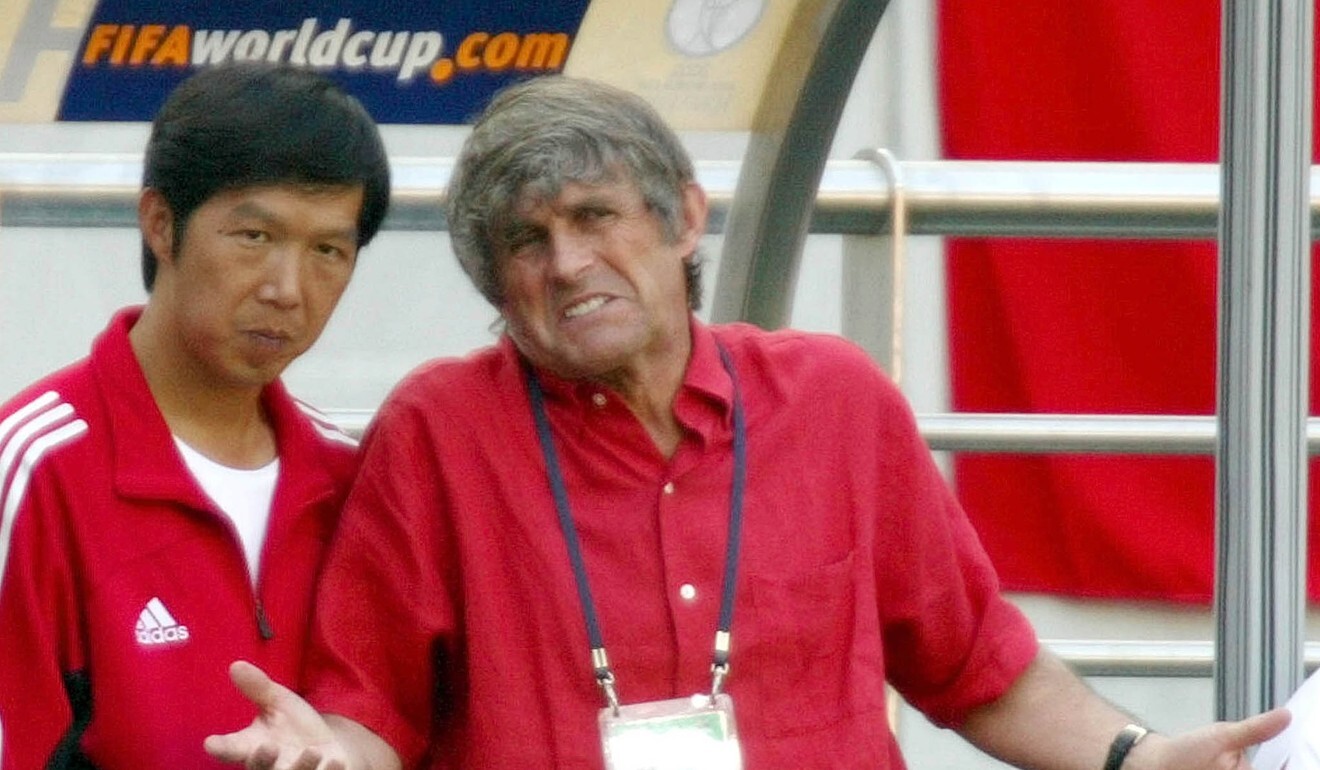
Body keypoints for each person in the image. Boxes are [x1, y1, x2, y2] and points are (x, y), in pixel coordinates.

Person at [205, 75, 1288, 770]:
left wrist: (1132, 756)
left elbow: (976, 663)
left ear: (683, 218)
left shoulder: (836, 401)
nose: (569, 262)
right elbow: (372, 706)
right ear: (495, 279)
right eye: (525, 241)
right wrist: (323, 757)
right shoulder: (440, 430)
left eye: (595, 217)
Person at [0, 61, 391, 768]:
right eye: (255, 237)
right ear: (160, 222)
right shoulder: (35, 468)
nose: (286, 288)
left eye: (328, 250)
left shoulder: (349, 477)